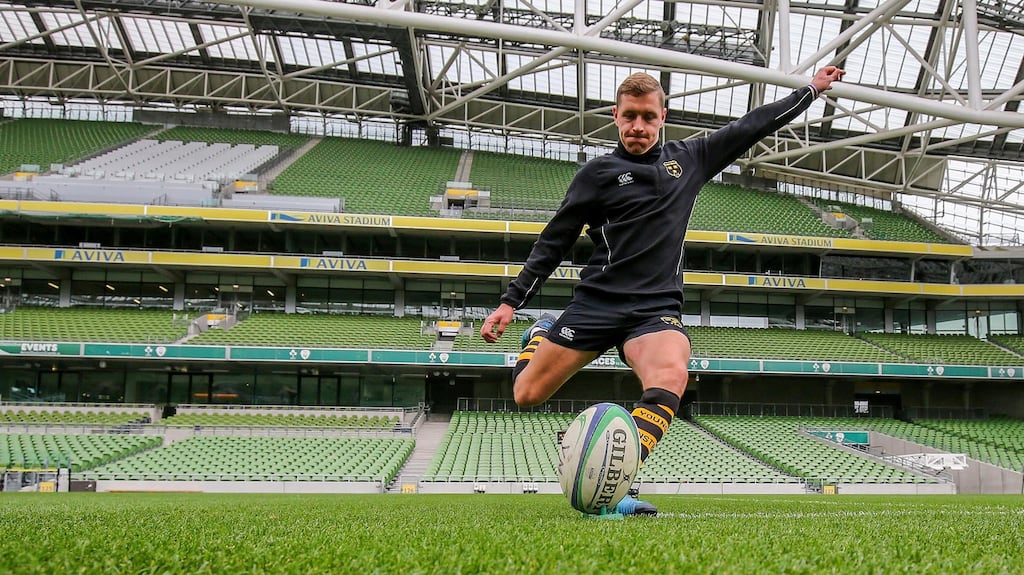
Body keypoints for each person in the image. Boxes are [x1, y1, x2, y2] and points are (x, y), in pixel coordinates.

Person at [480, 66, 846, 515]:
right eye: (629, 116)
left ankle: (617, 491)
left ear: (662, 117)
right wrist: (510, 301)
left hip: (655, 308)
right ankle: (540, 334)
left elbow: (752, 125)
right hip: (597, 302)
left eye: (648, 117)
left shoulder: (690, 159)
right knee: (526, 395)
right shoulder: (597, 174)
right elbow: (554, 240)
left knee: (671, 376)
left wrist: (811, 90)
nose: (638, 126)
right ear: (615, 115)